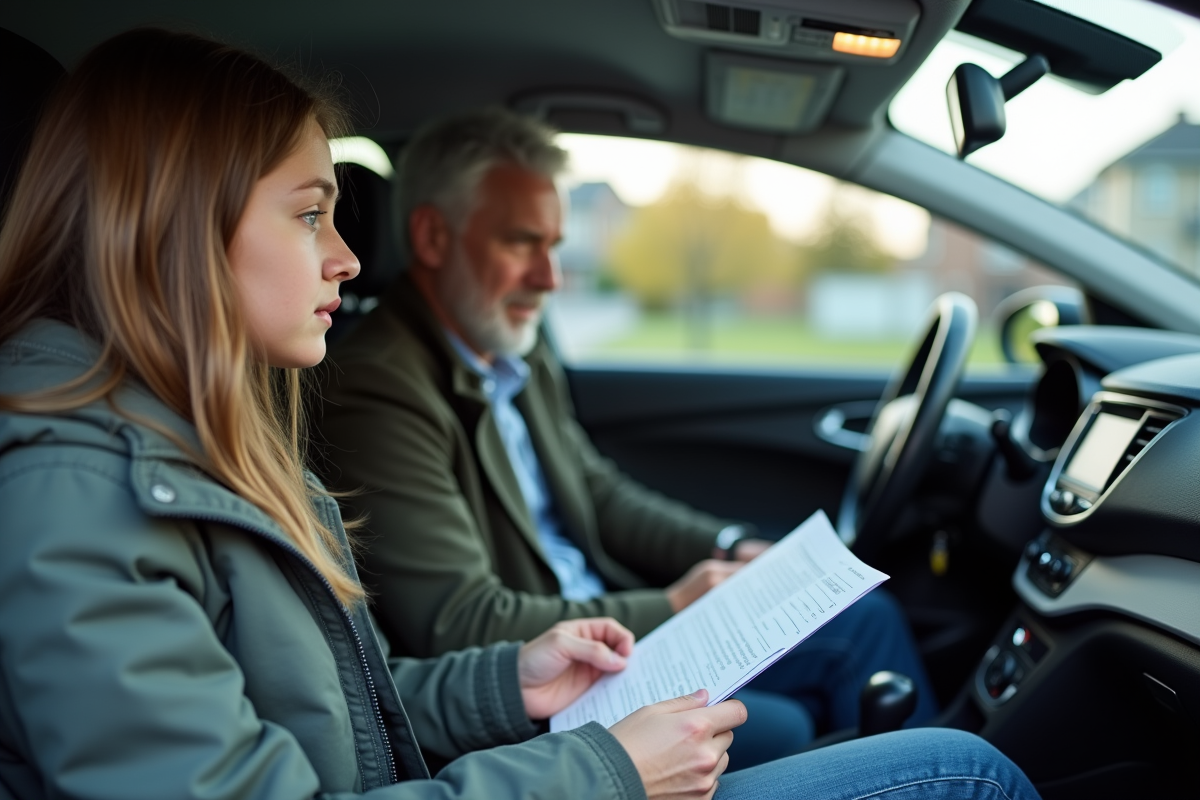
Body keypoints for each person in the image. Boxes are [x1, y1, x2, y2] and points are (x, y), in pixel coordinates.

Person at [0, 26, 1042, 800]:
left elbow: (334, 708)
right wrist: (602, 765)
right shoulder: (79, 489)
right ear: (178, 225)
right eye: (311, 213)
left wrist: (512, 684)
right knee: (963, 770)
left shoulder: (189, 441)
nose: (346, 259)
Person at [315, 108, 937, 765]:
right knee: (789, 726)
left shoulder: (507, 348)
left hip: (605, 639)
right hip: (547, 685)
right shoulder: (378, 389)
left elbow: (595, 491)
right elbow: (460, 621)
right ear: (433, 237)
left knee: (866, 618)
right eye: (522, 243)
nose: (549, 278)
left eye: (554, 246)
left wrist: (729, 547)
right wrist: (670, 605)